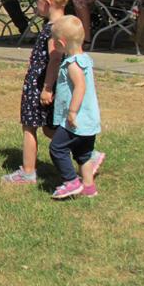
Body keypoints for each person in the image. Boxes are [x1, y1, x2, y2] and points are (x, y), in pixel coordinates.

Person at [2, 0, 105, 184]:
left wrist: (47, 87)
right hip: (47, 85)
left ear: (47, 2)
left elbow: (55, 59)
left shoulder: (54, 29)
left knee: (29, 126)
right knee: (51, 127)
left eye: (37, 0)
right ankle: (88, 154)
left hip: (40, 85)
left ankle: (28, 171)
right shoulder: (64, 24)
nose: (36, 5)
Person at [48, 15, 101, 199]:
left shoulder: (73, 64)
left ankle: (71, 182)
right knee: (83, 154)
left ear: (61, 43)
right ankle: (89, 187)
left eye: (54, 41)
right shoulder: (84, 59)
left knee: (57, 148)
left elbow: (80, 87)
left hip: (75, 119)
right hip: (88, 119)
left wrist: (71, 112)